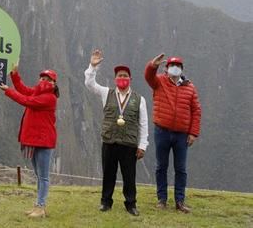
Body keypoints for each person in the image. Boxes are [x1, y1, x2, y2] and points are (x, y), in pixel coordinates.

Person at [84, 49, 148, 216]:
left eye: (125, 76)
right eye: (119, 76)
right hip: (109, 141)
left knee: (129, 176)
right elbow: (90, 84)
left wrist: (142, 145)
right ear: (115, 79)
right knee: (108, 174)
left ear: (130, 79)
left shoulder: (139, 99)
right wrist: (93, 66)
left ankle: (131, 204)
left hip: (129, 144)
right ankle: (106, 202)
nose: (122, 78)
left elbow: (143, 124)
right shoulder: (106, 93)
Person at [0, 63, 58, 218]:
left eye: (47, 79)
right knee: (39, 175)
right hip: (34, 141)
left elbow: (26, 100)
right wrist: (14, 74)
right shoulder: (37, 93)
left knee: (43, 177)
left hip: (44, 142)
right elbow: (23, 89)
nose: (43, 81)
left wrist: (8, 91)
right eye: (42, 78)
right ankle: (38, 206)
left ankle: (40, 206)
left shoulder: (49, 98)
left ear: (53, 83)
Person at [145, 54, 201, 213]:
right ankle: (162, 199)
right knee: (161, 166)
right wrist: (152, 65)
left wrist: (193, 133)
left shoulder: (190, 88)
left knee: (181, 168)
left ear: (182, 69)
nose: (174, 68)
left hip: (181, 135)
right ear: (166, 68)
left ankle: (180, 201)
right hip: (162, 131)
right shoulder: (159, 82)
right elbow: (148, 77)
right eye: (171, 65)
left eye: (177, 65)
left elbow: (196, 111)